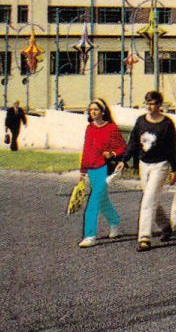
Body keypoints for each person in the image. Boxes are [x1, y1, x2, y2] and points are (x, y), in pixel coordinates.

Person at [115, 90, 176, 252]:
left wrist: (175, 169)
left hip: (161, 165)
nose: (151, 107)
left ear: (160, 105)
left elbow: (172, 148)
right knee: (151, 199)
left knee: (148, 200)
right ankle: (165, 226)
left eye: (154, 103)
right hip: (144, 164)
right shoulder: (141, 121)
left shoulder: (167, 124)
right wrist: (124, 160)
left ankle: (144, 237)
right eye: (148, 103)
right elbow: (133, 143)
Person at [78, 99, 127, 247]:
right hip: (91, 169)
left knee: (93, 202)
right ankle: (115, 223)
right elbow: (86, 149)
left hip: (104, 168)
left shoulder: (111, 128)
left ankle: (90, 235)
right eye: (91, 109)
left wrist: (112, 153)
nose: (93, 112)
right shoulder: (89, 128)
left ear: (103, 111)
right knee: (103, 200)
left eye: (96, 109)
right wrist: (82, 170)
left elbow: (122, 147)